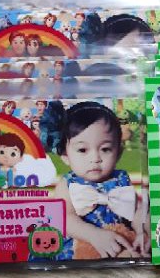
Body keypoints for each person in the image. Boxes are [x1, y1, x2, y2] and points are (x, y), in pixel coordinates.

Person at [52, 102, 148, 260]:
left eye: (105, 149)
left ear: (118, 153)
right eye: (83, 150)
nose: (95, 158)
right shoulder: (67, 184)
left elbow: (139, 210)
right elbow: (63, 219)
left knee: (137, 253)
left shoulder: (121, 179)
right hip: (80, 245)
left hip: (119, 240)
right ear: (65, 156)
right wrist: (94, 235)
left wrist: (141, 232)